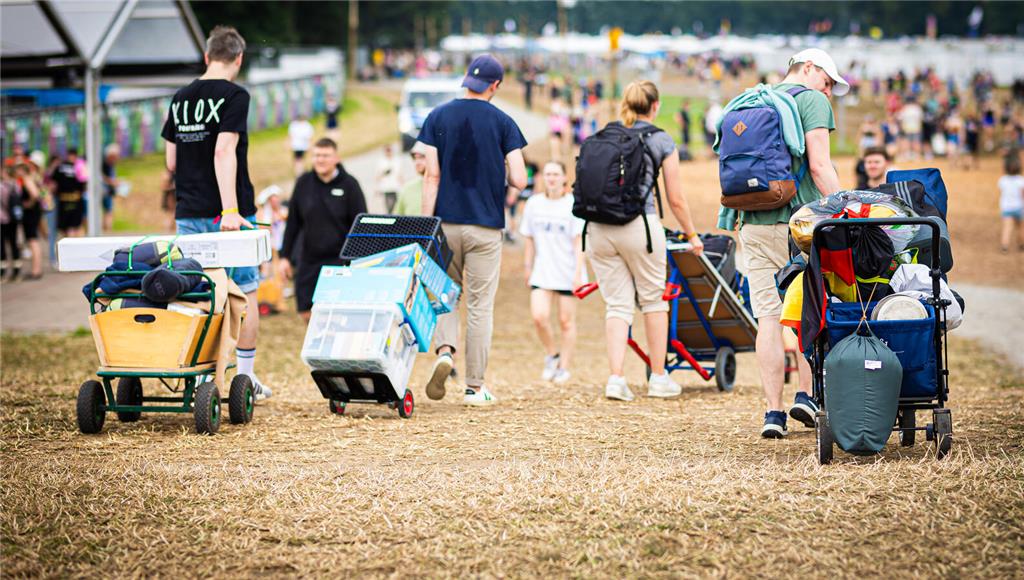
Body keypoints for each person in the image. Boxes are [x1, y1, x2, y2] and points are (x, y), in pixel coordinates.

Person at [161, 25, 272, 400]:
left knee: (194, 290)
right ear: (238, 58)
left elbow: (172, 161)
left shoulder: (180, 98)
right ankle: (245, 378)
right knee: (246, 290)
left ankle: (195, 375)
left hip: (188, 211)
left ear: (207, 56)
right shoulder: (235, 96)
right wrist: (229, 209)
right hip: (228, 214)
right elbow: (224, 151)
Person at [743, 48, 846, 438]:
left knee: (768, 317)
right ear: (808, 69)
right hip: (798, 223)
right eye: (828, 81)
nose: (830, 91)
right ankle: (806, 395)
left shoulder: (754, 98)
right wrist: (845, 209)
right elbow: (819, 166)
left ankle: (773, 414)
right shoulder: (813, 101)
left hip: (751, 220)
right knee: (808, 308)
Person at [418, 53, 528, 406]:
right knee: (480, 306)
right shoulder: (503, 122)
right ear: (495, 86)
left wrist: (425, 225)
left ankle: (445, 352)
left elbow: (431, 176)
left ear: (467, 79)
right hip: (485, 226)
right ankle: (474, 386)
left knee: (445, 296)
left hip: (445, 224)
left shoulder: (437, 116)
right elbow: (521, 177)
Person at [586, 80, 703, 402]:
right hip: (640, 226)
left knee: (617, 304)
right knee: (653, 301)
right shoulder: (660, 140)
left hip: (597, 227)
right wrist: (692, 234)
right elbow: (675, 198)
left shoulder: (604, 133)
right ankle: (659, 377)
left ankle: (615, 378)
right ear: (655, 106)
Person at [278, 138, 367, 322]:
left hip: (340, 261)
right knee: (306, 312)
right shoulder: (303, 183)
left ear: (336, 158)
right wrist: (284, 257)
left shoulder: (350, 185)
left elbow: (362, 226)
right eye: (317, 155)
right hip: (309, 260)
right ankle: (317, 347)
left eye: (325, 155)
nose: (320, 160)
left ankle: (333, 349)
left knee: (336, 315)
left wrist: (358, 262)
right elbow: (293, 222)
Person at [519, 161, 585, 384]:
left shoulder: (573, 205)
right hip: (543, 270)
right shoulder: (534, 204)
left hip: (567, 270)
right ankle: (552, 354)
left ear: (565, 178)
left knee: (566, 321)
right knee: (539, 316)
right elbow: (529, 238)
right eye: (548, 174)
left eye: (556, 174)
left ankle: (564, 367)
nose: (552, 178)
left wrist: (578, 273)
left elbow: (579, 242)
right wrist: (527, 266)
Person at [16, 156, 46, 279]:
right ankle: (36, 269)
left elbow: (35, 194)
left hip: (31, 213)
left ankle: (36, 270)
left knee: (33, 240)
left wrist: (29, 203)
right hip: (34, 212)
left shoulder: (27, 179)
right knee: (34, 240)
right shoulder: (33, 178)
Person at [50, 148, 85, 237]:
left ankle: (69, 245)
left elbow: (53, 182)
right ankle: (73, 246)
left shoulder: (60, 166)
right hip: (75, 200)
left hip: (64, 200)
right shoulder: (79, 166)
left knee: (66, 227)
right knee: (73, 226)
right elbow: (84, 183)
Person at [393, 141, 427, 216]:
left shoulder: (445, 188)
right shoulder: (407, 188)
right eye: (415, 158)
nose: (417, 162)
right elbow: (396, 218)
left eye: (422, 157)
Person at [999, 153, 1024, 253]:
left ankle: (1004, 246)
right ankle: (1021, 244)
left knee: (1007, 228)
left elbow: (1001, 192)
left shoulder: (1003, 180)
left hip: (1007, 208)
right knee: (1021, 228)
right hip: (1019, 208)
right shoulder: (1021, 180)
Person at [375, 144, 400, 213]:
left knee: (395, 203)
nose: (388, 152)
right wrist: (377, 188)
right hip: (386, 187)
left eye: (389, 150)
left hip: (394, 186)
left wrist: (402, 186)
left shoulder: (396, 160)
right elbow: (378, 176)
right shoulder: (381, 162)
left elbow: (399, 174)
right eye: (387, 151)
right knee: (388, 205)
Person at [101, 143, 120, 232]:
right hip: (103, 191)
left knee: (109, 211)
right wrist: (111, 181)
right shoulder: (103, 163)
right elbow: (100, 176)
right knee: (106, 210)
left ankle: (108, 229)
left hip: (109, 191)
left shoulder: (111, 165)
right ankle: (105, 228)